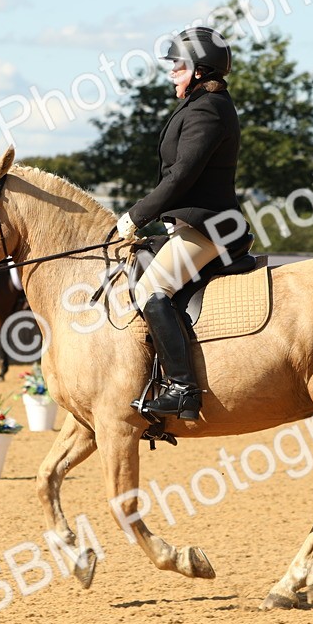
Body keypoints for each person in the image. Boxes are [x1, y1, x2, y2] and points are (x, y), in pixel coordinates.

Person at [115, 26, 247, 420]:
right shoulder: (199, 106)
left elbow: (182, 175)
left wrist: (136, 216)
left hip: (212, 227)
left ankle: (183, 390)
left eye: (178, 65)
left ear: (200, 70)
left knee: (152, 288)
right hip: (192, 224)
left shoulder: (209, 109)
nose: (172, 72)